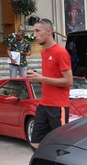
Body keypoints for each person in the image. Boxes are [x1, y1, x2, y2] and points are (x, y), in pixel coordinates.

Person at [26, 18, 73, 149]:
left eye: (37, 31)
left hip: (58, 107)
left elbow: (69, 81)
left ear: (48, 31)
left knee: (61, 146)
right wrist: (37, 77)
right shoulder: (44, 53)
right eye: (33, 31)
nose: (34, 35)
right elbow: (49, 76)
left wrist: (41, 79)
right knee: (35, 143)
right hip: (43, 105)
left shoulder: (60, 52)